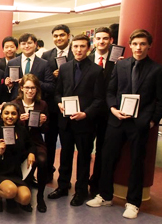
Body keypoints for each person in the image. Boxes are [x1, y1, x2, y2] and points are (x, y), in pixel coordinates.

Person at [87, 29, 162, 219]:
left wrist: (152, 120)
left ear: (149, 46)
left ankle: (133, 202)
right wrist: (113, 109)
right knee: (107, 158)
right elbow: (110, 91)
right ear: (130, 45)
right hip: (117, 119)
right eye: (135, 44)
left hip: (140, 123)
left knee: (137, 162)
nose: (138, 47)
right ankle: (105, 195)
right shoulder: (120, 66)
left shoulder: (156, 69)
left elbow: (160, 100)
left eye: (143, 44)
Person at [48, 34, 104, 207]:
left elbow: (99, 99)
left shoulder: (96, 70)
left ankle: (81, 191)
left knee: (84, 157)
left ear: (89, 48)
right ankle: (63, 186)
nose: (78, 50)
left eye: (82, 46)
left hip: (85, 122)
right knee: (65, 155)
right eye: (76, 47)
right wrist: (59, 104)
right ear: (72, 48)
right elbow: (58, 92)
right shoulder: (64, 68)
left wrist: (85, 114)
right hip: (65, 121)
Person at [0, 103, 35, 212]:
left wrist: (31, 153)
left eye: (13, 113)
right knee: (10, 191)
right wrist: (0, 153)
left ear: (17, 116)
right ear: (1, 115)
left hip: (15, 172)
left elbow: (31, 145)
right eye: (6, 113)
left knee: (26, 198)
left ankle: (11, 198)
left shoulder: (22, 131)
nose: (10, 116)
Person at [10, 74, 49, 213]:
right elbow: (10, 127)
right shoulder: (15, 104)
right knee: (24, 164)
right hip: (20, 142)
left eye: (33, 87)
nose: (30, 91)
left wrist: (43, 122)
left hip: (36, 141)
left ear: (37, 89)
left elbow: (46, 130)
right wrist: (19, 120)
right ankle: (24, 194)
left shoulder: (42, 104)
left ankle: (40, 197)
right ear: (21, 88)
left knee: (43, 161)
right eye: (27, 87)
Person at [40, 24, 73, 183]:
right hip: (52, 106)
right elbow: (45, 80)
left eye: (62, 35)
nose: (59, 38)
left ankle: (64, 179)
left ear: (68, 36)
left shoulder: (76, 53)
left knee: (67, 145)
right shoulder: (47, 55)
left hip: (70, 107)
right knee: (50, 142)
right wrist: (53, 76)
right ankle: (47, 172)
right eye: (56, 36)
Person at [87, 27, 115, 197]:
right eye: (98, 38)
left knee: (102, 151)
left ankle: (96, 181)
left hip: (107, 114)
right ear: (94, 40)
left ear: (111, 40)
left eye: (105, 38)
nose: (101, 41)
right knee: (85, 149)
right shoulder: (87, 60)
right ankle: (83, 182)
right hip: (89, 112)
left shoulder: (117, 62)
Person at [4, 33, 54, 101]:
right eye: (23, 44)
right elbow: (5, 88)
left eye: (29, 43)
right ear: (19, 46)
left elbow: (50, 86)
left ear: (35, 44)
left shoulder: (44, 64)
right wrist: (9, 86)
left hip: (37, 102)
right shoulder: (11, 63)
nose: (26, 46)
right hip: (16, 102)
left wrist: (32, 82)